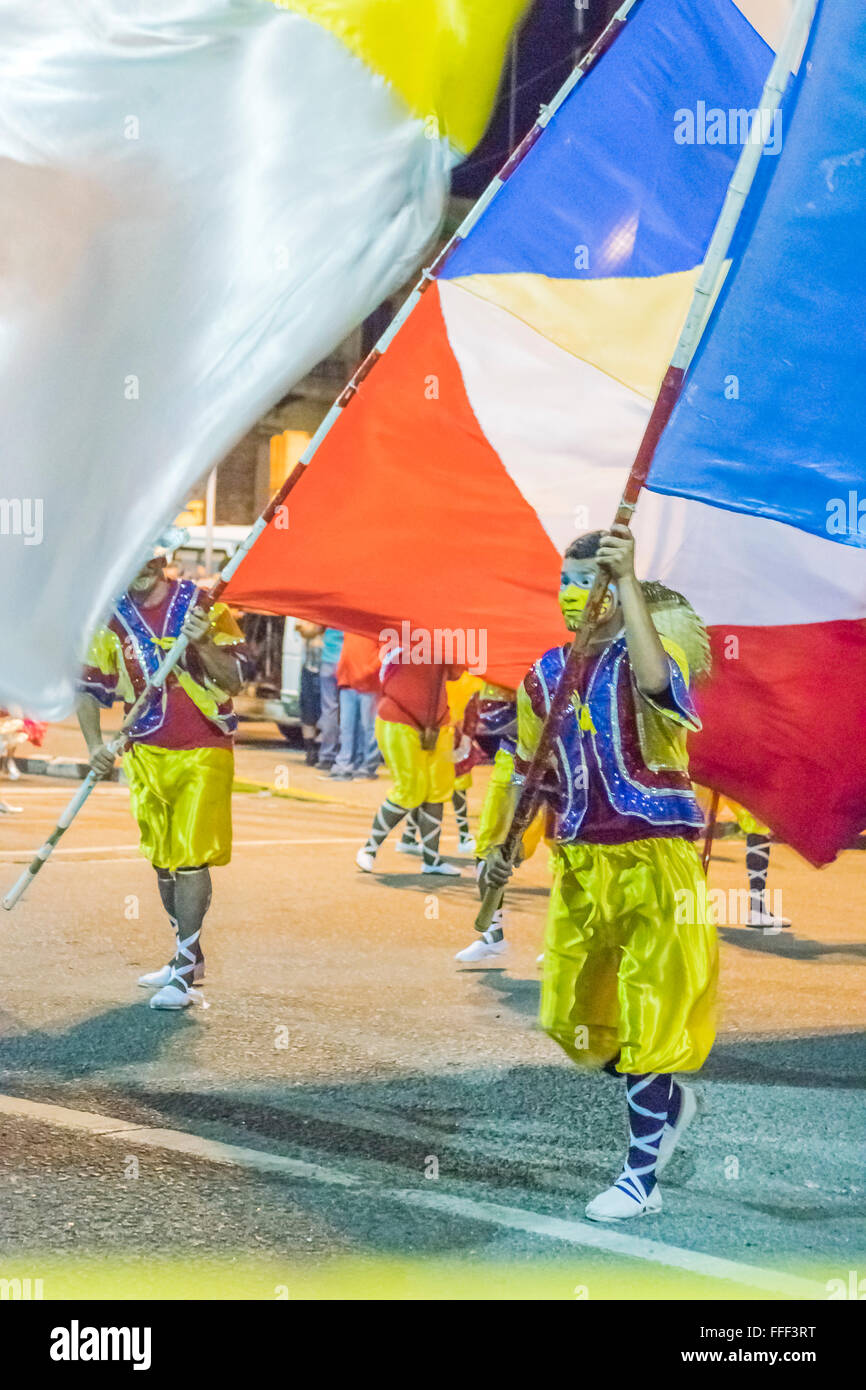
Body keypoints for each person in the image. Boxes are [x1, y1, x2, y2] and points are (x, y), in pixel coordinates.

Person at [484, 526, 717, 1221]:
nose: (572, 594)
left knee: (651, 1015)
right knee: (575, 1020)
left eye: (590, 581)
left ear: (616, 595)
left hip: (657, 862)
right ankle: (668, 1097)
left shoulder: (647, 651)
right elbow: (532, 776)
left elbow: (656, 684)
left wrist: (632, 581)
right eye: (566, 580)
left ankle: (640, 1178)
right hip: (583, 865)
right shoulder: (543, 677)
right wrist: (504, 846)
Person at [76, 547, 251, 1010]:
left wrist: (202, 644)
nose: (137, 569)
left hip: (204, 747)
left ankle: (186, 966)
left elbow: (235, 681)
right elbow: (89, 686)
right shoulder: (110, 617)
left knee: (192, 858)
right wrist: (95, 745)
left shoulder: (204, 604)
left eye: (146, 559)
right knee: (162, 860)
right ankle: (185, 957)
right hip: (145, 750)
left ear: (162, 559)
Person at [355, 649, 463, 877]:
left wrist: (451, 644)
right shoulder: (398, 631)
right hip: (398, 719)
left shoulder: (450, 637)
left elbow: (456, 672)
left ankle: (431, 860)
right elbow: (386, 659)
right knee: (409, 789)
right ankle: (369, 849)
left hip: (439, 723)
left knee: (437, 790)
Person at [331, 634, 381, 780]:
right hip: (348, 682)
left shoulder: (376, 626)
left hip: (369, 684)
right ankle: (346, 765)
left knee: (368, 728)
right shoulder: (351, 626)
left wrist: (368, 672)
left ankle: (366, 766)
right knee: (348, 727)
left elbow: (386, 652)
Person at [296, 620, 324, 765]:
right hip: (309, 668)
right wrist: (319, 627)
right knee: (308, 712)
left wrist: (315, 627)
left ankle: (320, 749)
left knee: (325, 712)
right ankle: (310, 750)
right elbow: (302, 629)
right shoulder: (313, 614)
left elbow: (309, 630)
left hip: (326, 669)